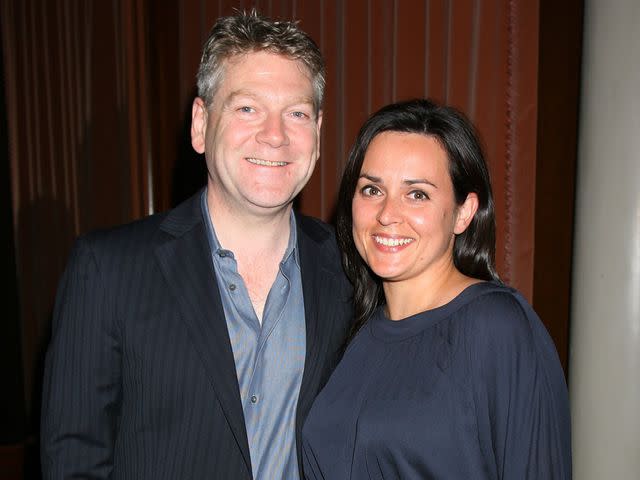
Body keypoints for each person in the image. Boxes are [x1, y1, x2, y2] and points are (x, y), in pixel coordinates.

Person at [40, 10, 352, 480]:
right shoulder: (106, 270)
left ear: (318, 133)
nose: (275, 135)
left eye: (297, 113)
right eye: (247, 108)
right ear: (200, 124)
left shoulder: (352, 270)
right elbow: (73, 461)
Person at [302, 98, 572, 479]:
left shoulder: (496, 328)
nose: (387, 214)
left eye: (417, 194)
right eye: (371, 190)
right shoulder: (354, 336)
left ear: (464, 212)